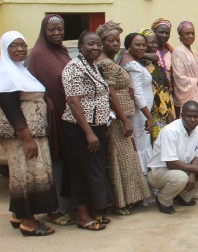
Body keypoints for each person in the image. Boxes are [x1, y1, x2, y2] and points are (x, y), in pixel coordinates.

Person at [0, 31, 57, 236]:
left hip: (32, 134)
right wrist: (27, 138)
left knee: (25, 176)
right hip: (21, 135)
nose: (20, 49)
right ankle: (28, 223)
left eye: (23, 45)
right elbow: (12, 110)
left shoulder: (20, 71)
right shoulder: (5, 75)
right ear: (5, 48)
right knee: (25, 177)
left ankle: (18, 215)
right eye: (14, 45)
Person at [95, 22, 151, 214]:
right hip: (118, 120)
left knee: (126, 158)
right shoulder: (105, 63)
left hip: (123, 117)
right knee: (121, 160)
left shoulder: (111, 61)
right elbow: (111, 95)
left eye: (116, 40)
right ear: (101, 43)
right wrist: (125, 121)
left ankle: (128, 199)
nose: (114, 44)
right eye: (109, 40)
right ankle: (121, 202)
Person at [61, 31, 114, 230]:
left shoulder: (93, 66)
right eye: (91, 44)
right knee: (82, 173)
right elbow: (74, 103)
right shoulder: (74, 68)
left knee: (95, 171)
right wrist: (89, 133)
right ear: (81, 47)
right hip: (80, 130)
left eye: (98, 44)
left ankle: (93, 210)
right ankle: (82, 216)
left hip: (97, 127)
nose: (96, 48)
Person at [27, 14, 75, 226]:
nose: (57, 33)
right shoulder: (37, 55)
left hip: (69, 115)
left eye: (60, 29)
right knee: (55, 163)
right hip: (52, 118)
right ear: (43, 32)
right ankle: (54, 210)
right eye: (52, 30)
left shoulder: (62, 51)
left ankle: (67, 206)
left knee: (67, 162)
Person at [146, 101, 198, 214]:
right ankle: (163, 199)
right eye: (189, 116)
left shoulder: (197, 129)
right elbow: (171, 163)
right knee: (181, 177)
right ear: (182, 115)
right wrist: (196, 169)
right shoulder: (170, 131)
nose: (193, 119)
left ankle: (183, 196)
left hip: (183, 168)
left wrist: (193, 174)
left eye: (196, 116)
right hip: (158, 172)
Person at [120, 33, 154, 173]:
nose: (142, 48)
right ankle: (143, 182)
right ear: (128, 46)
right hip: (140, 115)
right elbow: (137, 94)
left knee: (142, 144)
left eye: (143, 45)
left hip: (142, 114)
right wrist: (149, 117)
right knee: (141, 147)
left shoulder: (132, 60)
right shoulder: (133, 65)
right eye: (137, 44)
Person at [138, 28, 176, 142]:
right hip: (154, 109)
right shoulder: (141, 63)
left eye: (155, 42)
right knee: (158, 142)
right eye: (151, 42)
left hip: (165, 108)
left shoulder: (154, 61)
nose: (155, 45)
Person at [172, 21, 198, 116]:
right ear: (180, 36)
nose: (190, 36)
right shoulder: (178, 52)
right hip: (185, 96)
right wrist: (196, 81)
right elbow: (179, 77)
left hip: (195, 92)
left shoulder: (192, 50)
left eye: (192, 33)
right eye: (187, 33)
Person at [150, 18, 174, 82]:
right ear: (153, 32)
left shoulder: (171, 52)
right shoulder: (148, 50)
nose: (164, 35)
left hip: (169, 90)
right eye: (161, 32)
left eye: (167, 33)